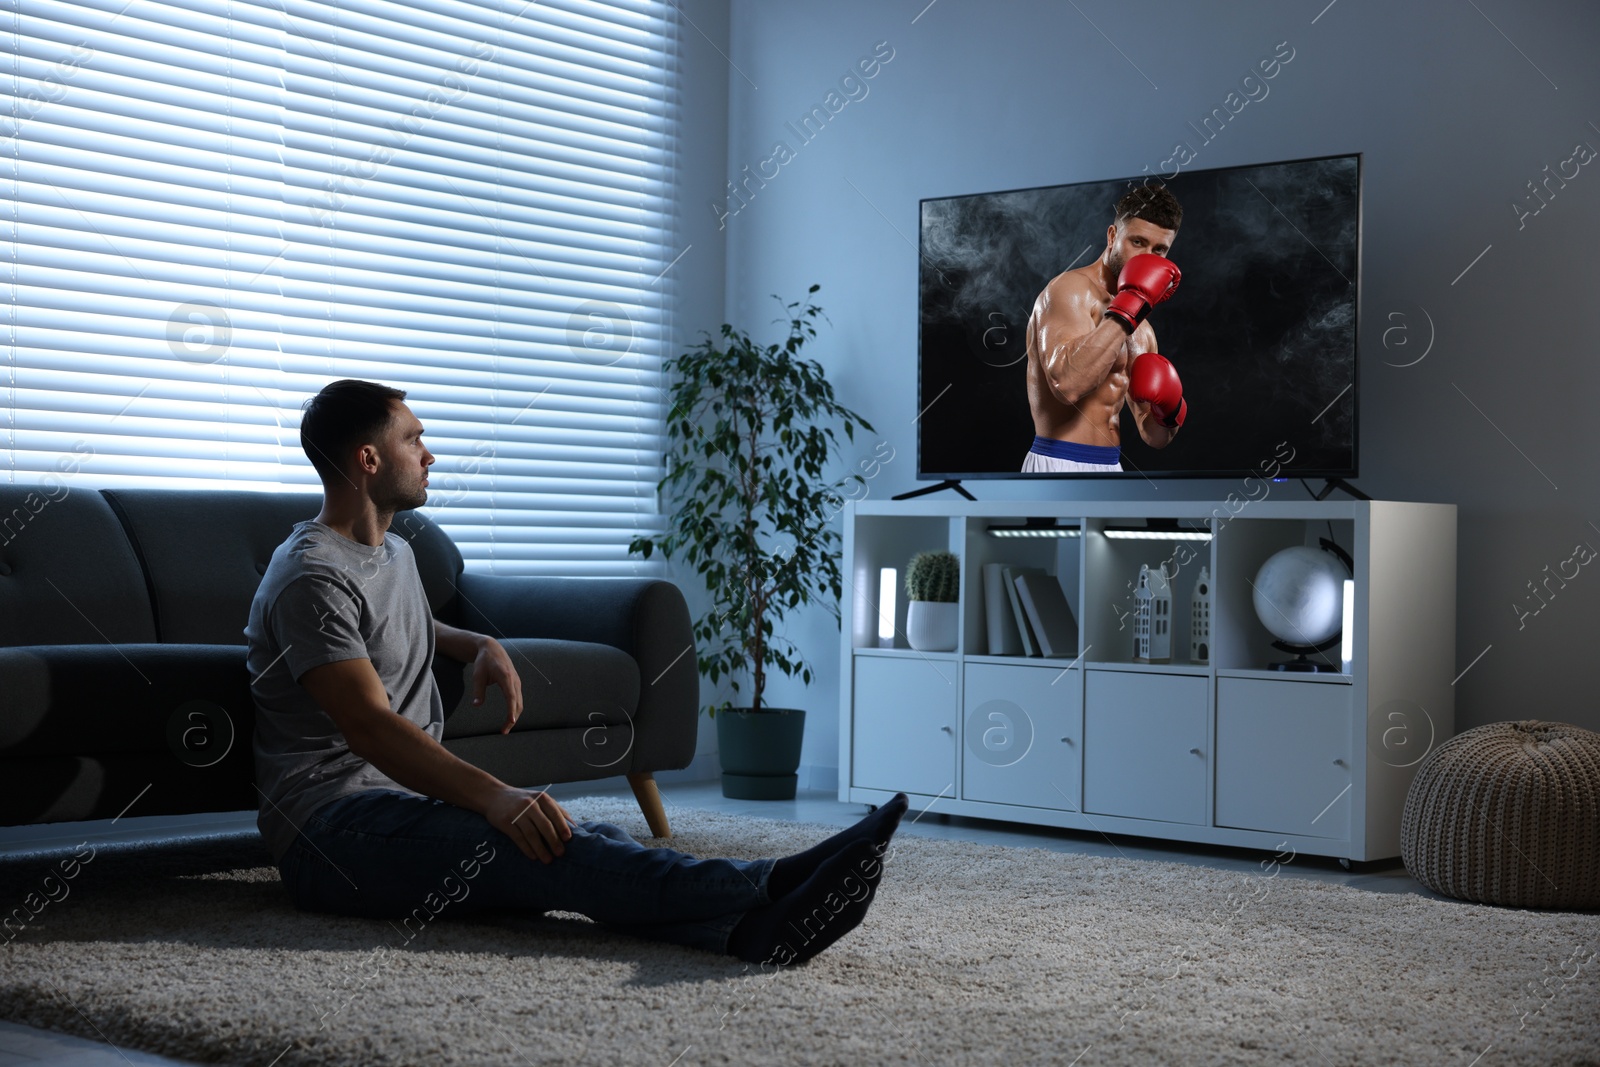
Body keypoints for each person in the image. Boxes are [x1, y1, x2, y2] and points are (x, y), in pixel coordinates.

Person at [245, 378, 907, 966]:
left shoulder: (390, 551)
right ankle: (770, 883)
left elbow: (395, 627)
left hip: (402, 808)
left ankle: (747, 928)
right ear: (368, 459)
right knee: (543, 840)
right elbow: (369, 727)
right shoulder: (311, 575)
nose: (430, 453)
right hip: (330, 834)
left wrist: (475, 642)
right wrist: (496, 795)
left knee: (585, 835)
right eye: (414, 438)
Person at [1022, 183, 1189, 473]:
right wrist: (1129, 308)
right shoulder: (1069, 290)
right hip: (1057, 462)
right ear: (1113, 236)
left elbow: (1152, 436)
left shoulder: (1144, 329)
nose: (1146, 257)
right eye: (1137, 242)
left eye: (1159, 249)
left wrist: (1170, 411)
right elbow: (1067, 386)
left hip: (1111, 466)